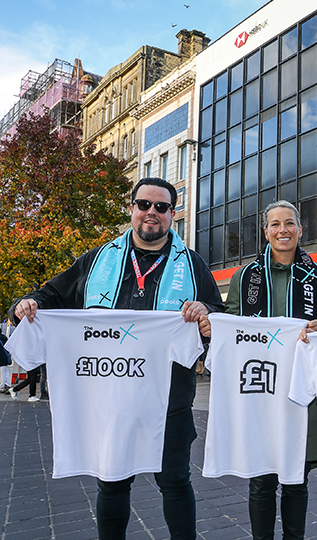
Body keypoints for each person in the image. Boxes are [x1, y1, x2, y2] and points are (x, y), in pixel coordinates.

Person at [9, 177, 224, 540]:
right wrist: (26, 304)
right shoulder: (98, 260)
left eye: (161, 207)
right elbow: (52, 294)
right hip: (110, 399)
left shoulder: (192, 265)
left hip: (169, 402)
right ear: (132, 208)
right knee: (111, 484)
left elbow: (217, 311)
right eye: (144, 204)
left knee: (175, 483)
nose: (151, 212)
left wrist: (206, 313)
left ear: (172, 214)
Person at [206, 200, 317, 540]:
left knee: (296, 480)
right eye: (275, 224)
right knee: (261, 480)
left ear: (300, 230)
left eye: (289, 223)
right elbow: (231, 325)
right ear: (266, 232)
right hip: (259, 390)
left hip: (300, 393)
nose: (283, 230)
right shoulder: (245, 277)